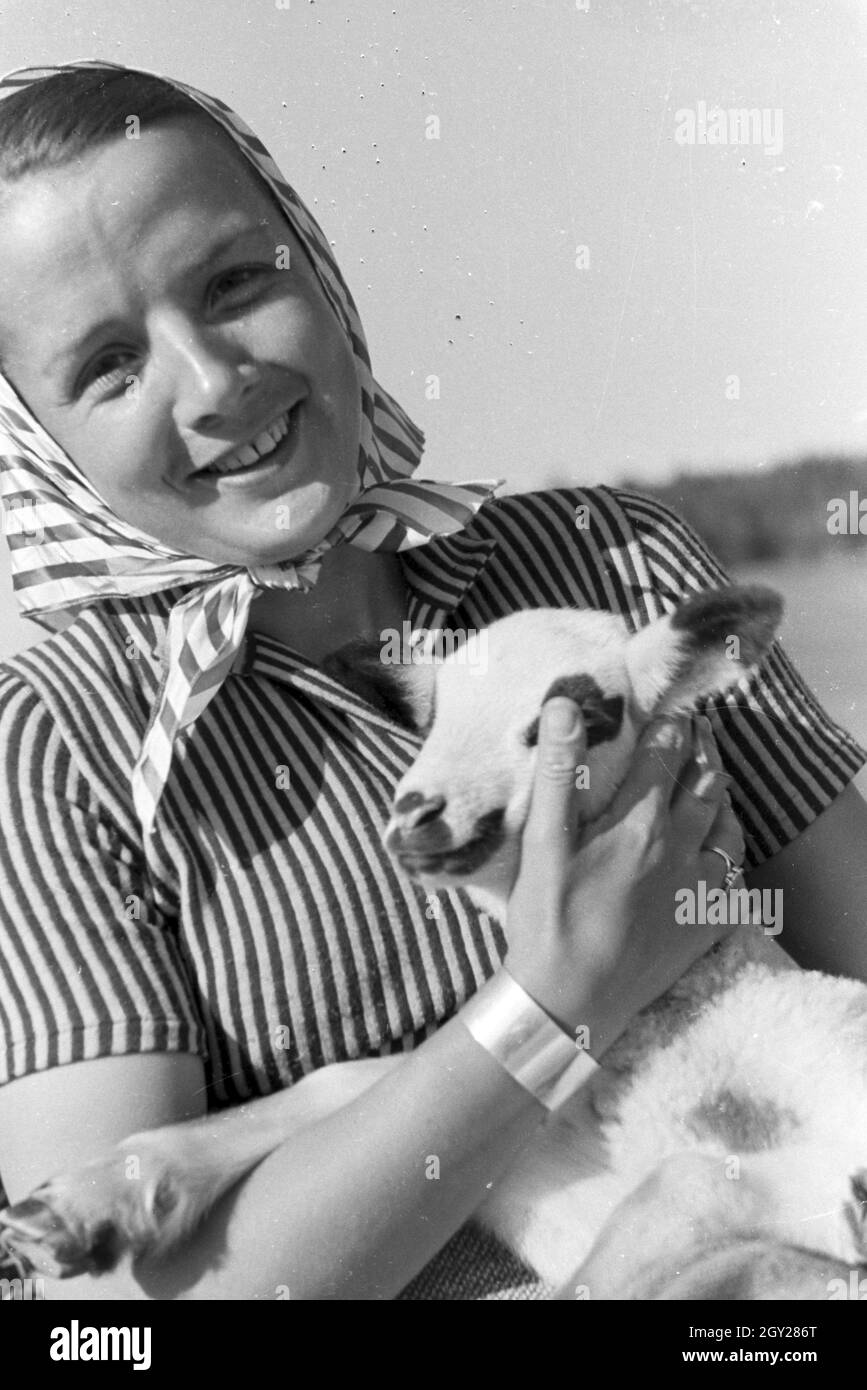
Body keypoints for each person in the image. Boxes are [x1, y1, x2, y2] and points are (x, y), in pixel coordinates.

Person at [0, 60, 863, 1301]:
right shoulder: (55, 744)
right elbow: (100, 1327)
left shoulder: (611, 569)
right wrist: (551, 995)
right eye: (109, 365)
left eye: (236, 281)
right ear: (42, 445)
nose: (212, 380)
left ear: (318, 264)